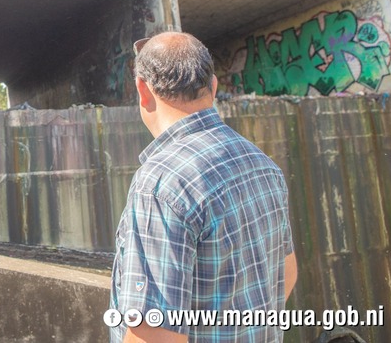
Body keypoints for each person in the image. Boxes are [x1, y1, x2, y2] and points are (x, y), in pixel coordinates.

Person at [110, 32, 297, 343]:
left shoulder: (160, 183)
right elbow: (286, 272)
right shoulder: (262, 163)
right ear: (213, 86)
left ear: (143, 90)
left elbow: (155, 333)